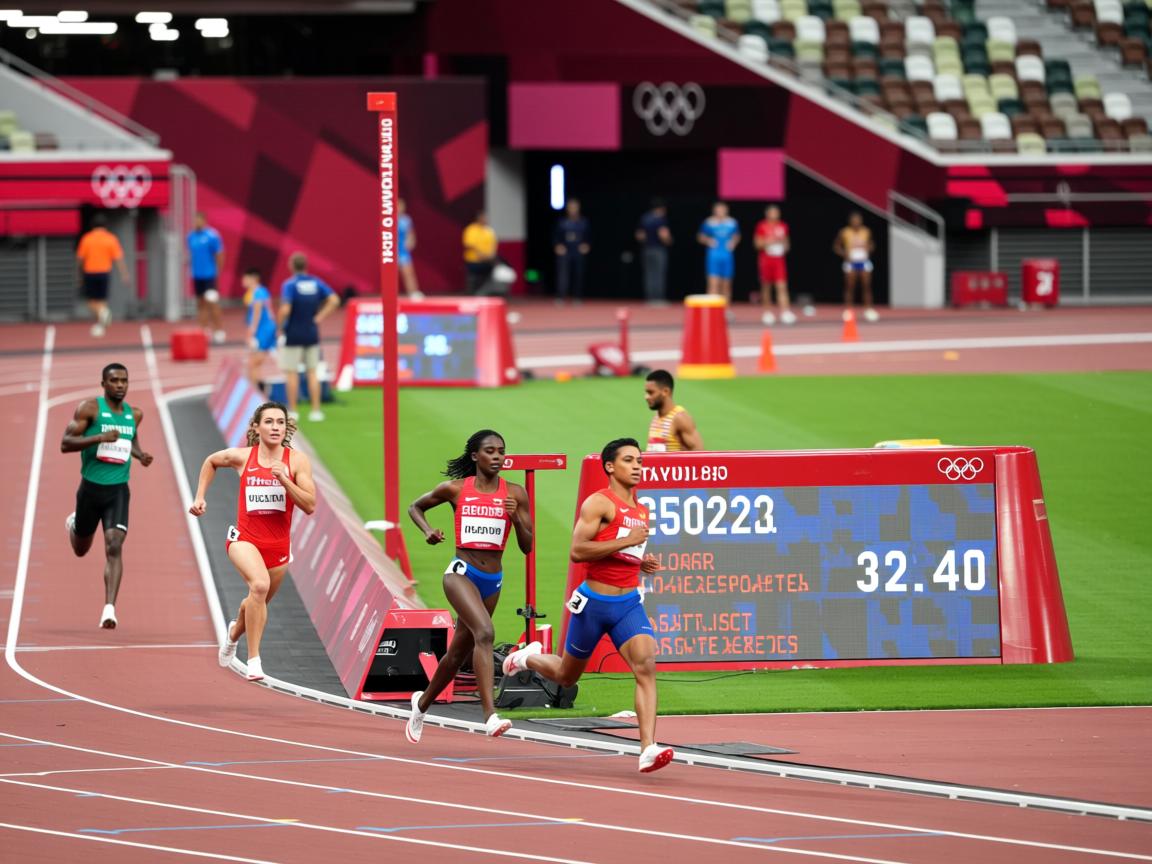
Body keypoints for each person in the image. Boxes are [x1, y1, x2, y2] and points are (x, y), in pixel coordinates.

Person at [503, 438, 673, 774]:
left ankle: (648, 748)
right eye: (629, 460)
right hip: (593, 604)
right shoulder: (599, 503)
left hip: (627, 603)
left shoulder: (641, 509)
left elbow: (620, 553)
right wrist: (627, 541)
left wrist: (640, 563)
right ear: (610, 466)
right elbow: (579, 551)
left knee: (646, 666)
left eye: (639, 460)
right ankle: (524, 657)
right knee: (567, 676)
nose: (638, 466)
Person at [405, 430, 533, 743]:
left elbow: (528, 547)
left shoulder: (515, 493)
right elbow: (415, 507)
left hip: (493, 580)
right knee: (485, 634)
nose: (498, 457)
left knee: (457, 652)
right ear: (475, 456)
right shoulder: (456, 489)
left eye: (501, 451)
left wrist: (516, 519)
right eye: (490, 451)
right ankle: (490, 716)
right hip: (461, 573)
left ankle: (421, 705)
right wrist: (427, 532)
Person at [189, 401, 317, 682]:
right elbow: (211, 460)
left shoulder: (296, 462)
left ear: (286, 428)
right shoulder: (243, 457)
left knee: (255, 602)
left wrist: (286, 481)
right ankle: (254, 660)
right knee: (259, 586)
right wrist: (200, 497)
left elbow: (309, 505)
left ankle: (234, 632)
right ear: (256, 428)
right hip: (243, 540)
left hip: (279, 549)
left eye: (280, 422)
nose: (275, 427)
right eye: (269, 422)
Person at [61, 362, 153, 629]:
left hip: (118, 491)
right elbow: (65, 443)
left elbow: (130, 440)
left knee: (114, 544)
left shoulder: (134, 414)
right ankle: (75, 523)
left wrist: (140, 454)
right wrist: (100, 437)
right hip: (90, 490)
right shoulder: (89, 409)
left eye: (124, 380)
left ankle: (109, 609)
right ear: (103, 384)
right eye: (114, 381)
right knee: (81, 550)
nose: (120, 385)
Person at [278, 252, 340, 422]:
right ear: (305, 266)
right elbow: (334, 300)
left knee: (292, 373)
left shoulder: (290, 285)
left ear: (292, 266)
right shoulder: (315, 282)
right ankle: (316, 410)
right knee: (312, 372)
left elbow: (285, 309)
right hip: (311, 332)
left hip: (293, 333)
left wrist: (279, 325)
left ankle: (293, 410)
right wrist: (319, 317)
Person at [76, 214, 131, 338]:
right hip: (104, 273)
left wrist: (78, 275)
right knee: (102, 300)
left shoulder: (86, 239)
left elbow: (80, 259)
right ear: (105, 226)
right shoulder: (111, 239)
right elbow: (119, 259)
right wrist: (125, 274)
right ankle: (101, 323)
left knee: (91, 302)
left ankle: (102, 317)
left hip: (90, 273)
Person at [187, 212, 226, 344]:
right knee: (200, 304)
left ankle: (219, 331)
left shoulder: (212, 236)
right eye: (194, 220)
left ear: (204, 221)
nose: (196, 223)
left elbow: (219, 255)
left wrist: (217, 272)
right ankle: (202, 331)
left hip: (210, 276)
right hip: (197, 276)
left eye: (198, 220)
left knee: (212, 303)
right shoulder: (190, 237)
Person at [753, 205, 796, 326]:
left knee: (781, 286)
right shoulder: (761, 226)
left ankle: (785, 312)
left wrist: (783, 244)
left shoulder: (783, 226)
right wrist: (769, 241)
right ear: (767, 214)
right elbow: (757, 244)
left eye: (776, 212)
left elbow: (787, 244)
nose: (774, 214)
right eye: (772, 212)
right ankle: (767, 313)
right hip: (766, 260)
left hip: (779, 260)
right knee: (766, 287)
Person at [834, 211, 879, 322]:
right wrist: (845, 254)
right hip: (851, 262)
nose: (856, 222)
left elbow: (872, 244)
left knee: (867, 286)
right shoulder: (844, 232)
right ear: (850, 221)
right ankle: (848, 310)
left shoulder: (866, 231)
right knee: (850, 287)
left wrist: (869, 249)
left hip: (863, 261)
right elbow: (836, 246)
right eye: (854, 220)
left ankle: (868, 310)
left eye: (858, 220)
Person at [644, 369, 703, 452]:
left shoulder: (680, 418)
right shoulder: (656, 417)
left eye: (651, 392)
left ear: (665, 391)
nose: (646, 397)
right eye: (646, 392)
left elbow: (699, 453)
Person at [696, 202, 740, 306]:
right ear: (714, 211)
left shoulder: (732, 222)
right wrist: (708, 240)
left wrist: (733, 242)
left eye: (722, 209)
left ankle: (726, 310)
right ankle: (712, 310)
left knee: (726, 285)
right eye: (718, 210)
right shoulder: (709, 222)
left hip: (727, 256)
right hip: (714, 256)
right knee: (713, 284)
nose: (720, 212)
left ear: (726, 210)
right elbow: (700, 237)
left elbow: (737, 236)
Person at [243, 268, 277, 391]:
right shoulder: (261, 291)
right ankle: (258, 387)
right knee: (253, 362)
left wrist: (252, 331)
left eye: (245, 278)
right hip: (266, 329)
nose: (243, 281)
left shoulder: (258, 293)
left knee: (253, 362)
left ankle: (259, 388)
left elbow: (257, 312)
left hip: (263, 330)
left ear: (253, 278)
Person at [554, 198, 591, 305]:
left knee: (578, 274)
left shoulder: (584, 222)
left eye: (575, 207)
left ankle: (577, 297)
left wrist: (586, 245)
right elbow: (556, 237)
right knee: (563, 275)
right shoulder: (561, 222)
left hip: (578, 251)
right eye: (571, 207)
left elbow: (589, 237)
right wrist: (558, 246)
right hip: (565, 251)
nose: (573, 210)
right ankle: (561, 296)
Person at [635, 199, 672, 305]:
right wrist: (669, 241)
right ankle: (658, 299)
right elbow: (663, 235)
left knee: (648, 274)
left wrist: (647, 241)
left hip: (647, 249)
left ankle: (650, 298)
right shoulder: (660, 219)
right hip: (658, 249)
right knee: (659, 274)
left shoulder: (645, 218)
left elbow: (639, 235)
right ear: (662, 209)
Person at [463, 210, 498, 295]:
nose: (485, 219)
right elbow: (468, 244)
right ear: (478, 218)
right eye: (483, 217)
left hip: (487, 261)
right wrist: (480, 253)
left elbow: (493, 245)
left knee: (490, 279)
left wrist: (490, 255)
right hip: (474, 261)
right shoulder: (471, 229)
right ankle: (471, 295)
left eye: (486, 217)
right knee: (473, 279)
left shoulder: (489, 231)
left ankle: (484, 295)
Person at [397, 199, 424, 300]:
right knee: (391, 276)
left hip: (403, 251)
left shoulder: (407, 220)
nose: (400, 208)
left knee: (408, 273)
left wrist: (411, 241)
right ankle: (390, 295)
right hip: (392, 251)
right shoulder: (388, 220)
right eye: (398, 206)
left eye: (402, 206)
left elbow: (410, 234)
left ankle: (413, 293)